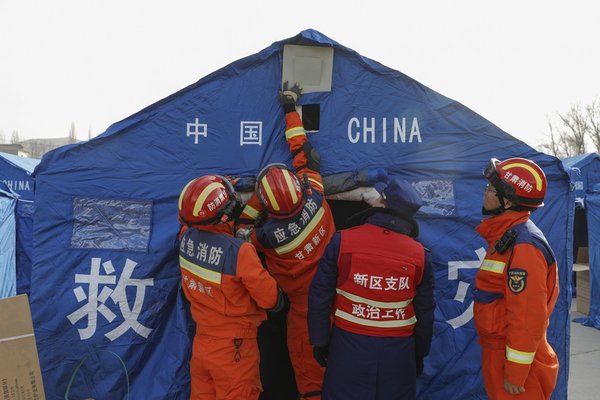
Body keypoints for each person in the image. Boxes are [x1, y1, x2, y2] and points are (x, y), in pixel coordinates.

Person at [236, 83, 335, 399]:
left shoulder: (266, 238)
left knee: (310, 380)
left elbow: (241, 231)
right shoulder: (316, 195)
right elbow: (303, 152)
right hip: (340, 299)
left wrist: (255, 202)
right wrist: (290, 108)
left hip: (303, 315)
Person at [307, 177, 435, 400]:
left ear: (383, 204)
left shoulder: (342, 241)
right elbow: (425, 311)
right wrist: (419, 354)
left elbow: (319, 296)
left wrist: (319, 341)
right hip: (398, 355)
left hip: (347, 349)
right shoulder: (420, 255)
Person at [178, 174, 282, 400]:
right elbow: (270, 299)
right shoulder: (240, 252)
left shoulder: (185, 237)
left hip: (202, 344)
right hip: (235, 350)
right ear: (227, 213)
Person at [474, 157, 559, 399]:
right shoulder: (508, 238)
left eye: (491, 189)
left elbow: (528, 314)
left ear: (508, 201)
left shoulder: (524, 246)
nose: (486, 193)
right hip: (501, 353)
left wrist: (517, 370)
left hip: (517, 363)